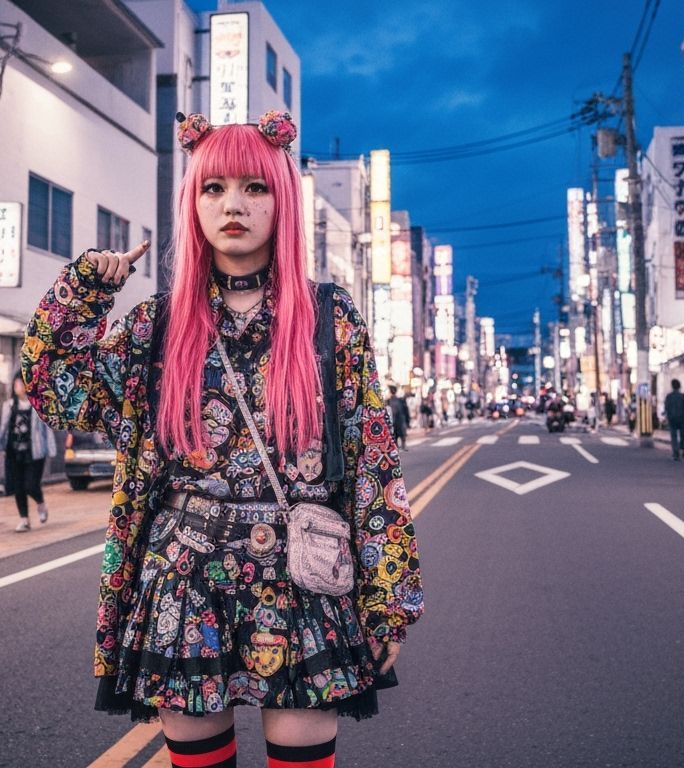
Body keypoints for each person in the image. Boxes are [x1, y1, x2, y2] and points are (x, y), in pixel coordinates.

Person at [23, 111, 421, 768]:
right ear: (193, 202)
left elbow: (374, 459)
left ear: (282, 200)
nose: (232, 203)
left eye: (254, 187)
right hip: (183, 575)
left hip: (299, 575)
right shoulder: (156, 326)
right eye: (213, 188)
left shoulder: (329, 318)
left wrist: (389, 600)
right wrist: (89, 284)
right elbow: (52, 386)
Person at [0, 372, 56, 532]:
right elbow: (3, 428)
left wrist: (50, 449)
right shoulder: (8, 405)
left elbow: (47, 429)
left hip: (35, 451)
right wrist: (0, 446)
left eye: (21, 383)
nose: (18, 386)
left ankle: (40, 504)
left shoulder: (39, 405)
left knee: (31, 485)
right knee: (18, 487)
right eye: (16, 383)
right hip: (14, 451)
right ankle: (24, 519)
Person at [663, 380, 684, 460]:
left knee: (674, 435)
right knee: (682, 435)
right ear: (679, 386)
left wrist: (666, 417)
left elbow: (666, 408)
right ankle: (683, 450)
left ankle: (675, 452)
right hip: (682, 418)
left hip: (672, 418)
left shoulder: (669, 396)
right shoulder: (683, 396)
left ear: (672, 386)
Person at [385, 385, 411, 451]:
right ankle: (401, 446)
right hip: (399, 420)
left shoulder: (389, 401)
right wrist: (408, 420)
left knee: (396, 434)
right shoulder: (399, 400)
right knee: (399, 434)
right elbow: (406, 411)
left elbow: (405, 410)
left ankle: (399, 446)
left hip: (396, 420)